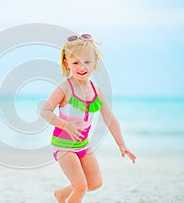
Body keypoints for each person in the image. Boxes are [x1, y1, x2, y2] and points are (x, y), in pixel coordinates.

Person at [40, 34, 136, 203]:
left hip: (83, 144)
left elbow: (110, 118)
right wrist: (66, 125)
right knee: (81, 186)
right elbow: (44, 111)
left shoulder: (96, 90)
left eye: (86, 61)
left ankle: (62, 194)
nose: (81, 66)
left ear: (95, 61)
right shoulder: (65, 88)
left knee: (95, 183)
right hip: (64, 146)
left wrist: (122, 145)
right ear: (66, 63)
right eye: (75, 62)